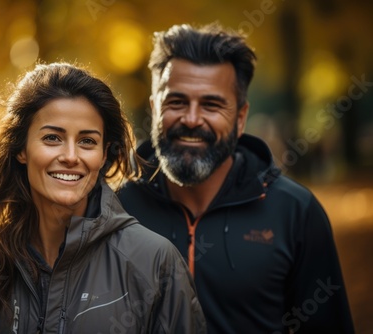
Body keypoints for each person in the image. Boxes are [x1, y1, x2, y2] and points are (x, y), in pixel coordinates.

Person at [0, 62, 207, 333]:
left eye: (87, 141)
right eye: (52, 138)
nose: (70, 156)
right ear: (21, 149)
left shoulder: (155, 263)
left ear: (104, 154)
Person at [118, 23, 355, 334]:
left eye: (212, 105)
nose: (191, 119)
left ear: (240, 118)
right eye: (176, 102)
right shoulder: (115, 208)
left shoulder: (295, 212)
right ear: (154, 107)